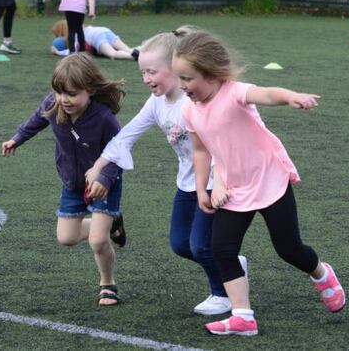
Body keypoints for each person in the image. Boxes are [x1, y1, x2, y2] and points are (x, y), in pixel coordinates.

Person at [171, 30, 345, 336]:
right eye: (179, 78)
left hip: (269, 178)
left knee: (288, 249)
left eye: (187, 78)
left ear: (212, 75)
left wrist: (291, 97)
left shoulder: (234, 92)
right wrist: (204, 188)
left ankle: (321, 273)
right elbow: (202, 150)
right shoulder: (189, 110)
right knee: (221, 248)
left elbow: (265, 94)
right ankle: (243, 316)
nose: (182, 86)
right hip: (235, 187)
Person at [85, 27, 248, 317]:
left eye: (151, 72)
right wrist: (98, 165)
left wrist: (218, 184)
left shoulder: (196, 100)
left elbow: (223, 143)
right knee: (180, 244)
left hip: (217, 180)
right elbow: (127, 135)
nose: (146, 79)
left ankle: (222, 293)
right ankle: (232, 264)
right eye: (142, 73)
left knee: (200, 246)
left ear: (175, 67)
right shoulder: (156, 103)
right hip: (188, 182)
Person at [1, 53, 128, 306]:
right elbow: (37, 119)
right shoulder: (54, 104)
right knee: (66, 238)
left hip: (103, 184)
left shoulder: (104, 117)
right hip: (72, 182)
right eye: (60, 92)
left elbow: (120, 152)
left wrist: (104, 177)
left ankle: (107, 283)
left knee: (97, 241)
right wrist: (17, 138)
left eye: (71, 94)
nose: (64, 99)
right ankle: (110, 222)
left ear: (90, 90)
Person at [49, 20, 138, 61]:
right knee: (128, 49)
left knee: (113, 54)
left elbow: (74, 51)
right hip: (104, 30)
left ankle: (133, 57)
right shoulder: (82, 28)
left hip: (97, 36)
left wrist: (58, 52)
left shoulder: (75, 35)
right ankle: (142, 51)